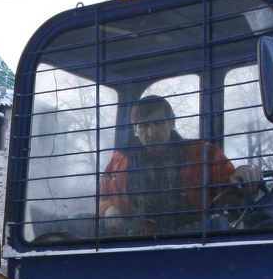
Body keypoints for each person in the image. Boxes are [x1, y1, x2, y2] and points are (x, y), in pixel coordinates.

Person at [100, 95, 249, 236]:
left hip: (193, 236)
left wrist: (245, 173)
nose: (151, 132)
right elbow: (102, 197)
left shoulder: (202, 153)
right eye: (143, 125)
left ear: (172, 123)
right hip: (137, 239)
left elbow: (232, 186)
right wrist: (107, 208)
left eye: (158, 123)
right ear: (135, 129)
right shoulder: (120, 160)